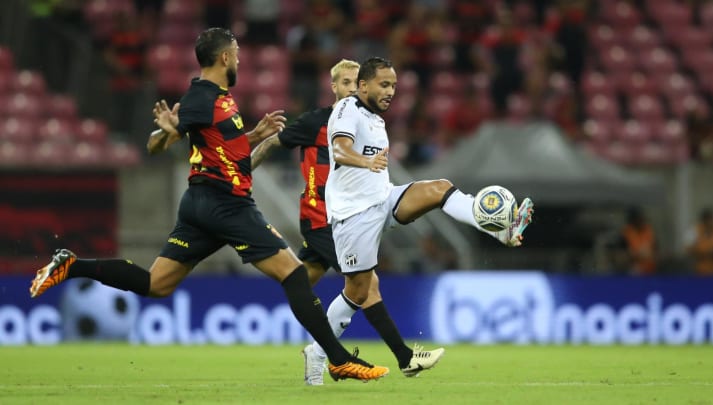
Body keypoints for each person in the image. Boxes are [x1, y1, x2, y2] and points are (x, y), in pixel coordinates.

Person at [28, 28, 388, 383]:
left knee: (156, 283)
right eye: (237, 54)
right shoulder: (202, 96)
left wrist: (255, 136)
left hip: (199, 204)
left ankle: (72, 266)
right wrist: (167, 130)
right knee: (294, 274)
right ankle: (338, 360)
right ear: (225, 57)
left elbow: (223, 150)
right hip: (227, 204)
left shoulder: (221, 98)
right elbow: (157, 143)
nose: (241, 60)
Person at [315, 56, 535, 383]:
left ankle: (495, 226)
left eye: (393, 85)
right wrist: (366, 162)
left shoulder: (375, 118)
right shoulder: (347, 109)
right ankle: (320, 356)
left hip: (382, 200)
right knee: (358, 291)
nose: (391, 91)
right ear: (363, 85)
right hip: (353, 214)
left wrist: (373, 170)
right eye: (383, 84)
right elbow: (340, 150)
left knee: (439, 189)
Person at [253, 59, 447, 385]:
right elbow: (274, 142)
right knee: (366, 285)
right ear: (334, 87)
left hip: (350, 216)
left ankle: (313, 351)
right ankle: (403, 356)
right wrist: (241, 170)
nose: (350, 88)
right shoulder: (317, 121)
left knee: (299, 282)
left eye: (355, 82)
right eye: (344, 82)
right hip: (321, 219)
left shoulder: (367, 121)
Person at [685, 208, 713, 275]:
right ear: (704, 220)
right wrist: (705, 252)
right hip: (699, 272)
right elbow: (688, 250)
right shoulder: (694, 232)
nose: (712, 222)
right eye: (710, 220)